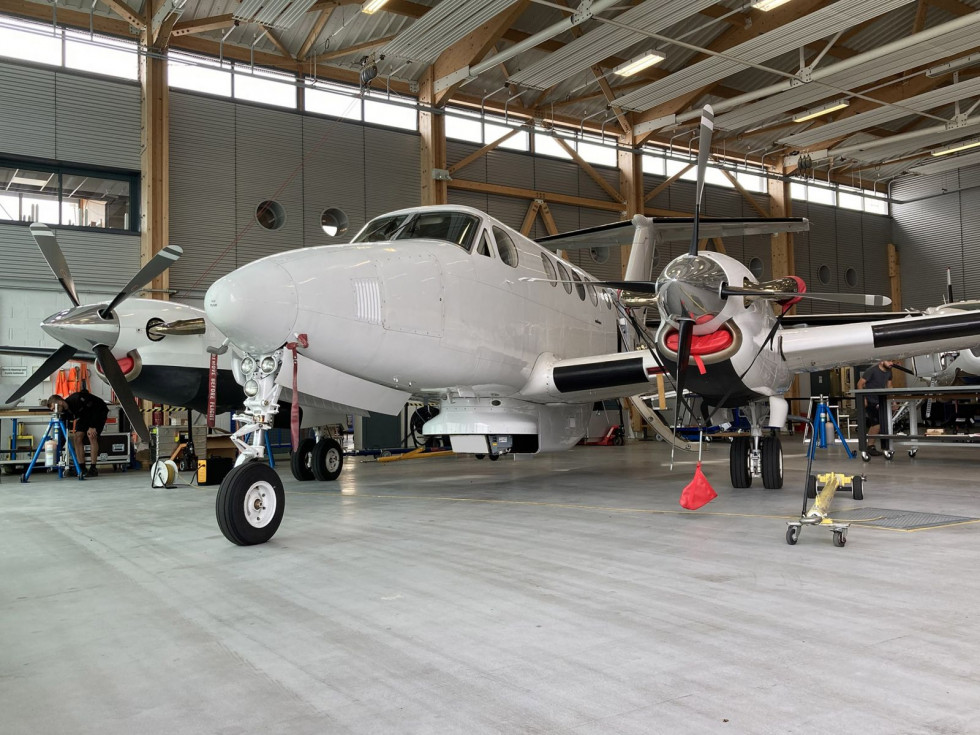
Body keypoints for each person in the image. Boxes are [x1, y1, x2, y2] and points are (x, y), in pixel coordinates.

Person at [47, 390, 109, 478]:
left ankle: (93, 468)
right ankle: (81, 468)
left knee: (91, 435)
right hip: (84, 415)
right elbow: (63, 430)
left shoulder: (77, 398)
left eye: (54, 408)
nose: (55, 411)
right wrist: (58, 446)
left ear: (60, 402)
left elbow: (95, 407)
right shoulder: (64, 412)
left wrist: (92, 426)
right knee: (77, 438)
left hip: (98, 411)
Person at [857, 360, 894, 457]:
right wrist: (863, 398)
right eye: (889, 361)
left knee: (879, 424)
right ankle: (870, 446)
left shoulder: (889, 371)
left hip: (881, 400)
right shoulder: (871, 370)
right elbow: (860, 384)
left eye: (892, 361)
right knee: (877, 424)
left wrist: (893, 401)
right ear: (882, 361)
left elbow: (889, 386)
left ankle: (871, 446)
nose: (891, 363)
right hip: (870, 400)